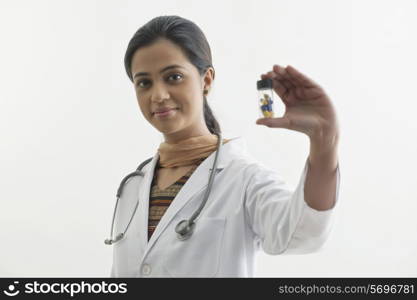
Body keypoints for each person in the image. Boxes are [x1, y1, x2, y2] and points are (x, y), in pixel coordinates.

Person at [110, 15, 341, 277]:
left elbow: (304, 234)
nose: (158, 95)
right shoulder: (133, 187)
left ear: (206, 80)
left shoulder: (242, 178)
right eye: (144, 83)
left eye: (173, 77)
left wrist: (324, 140)